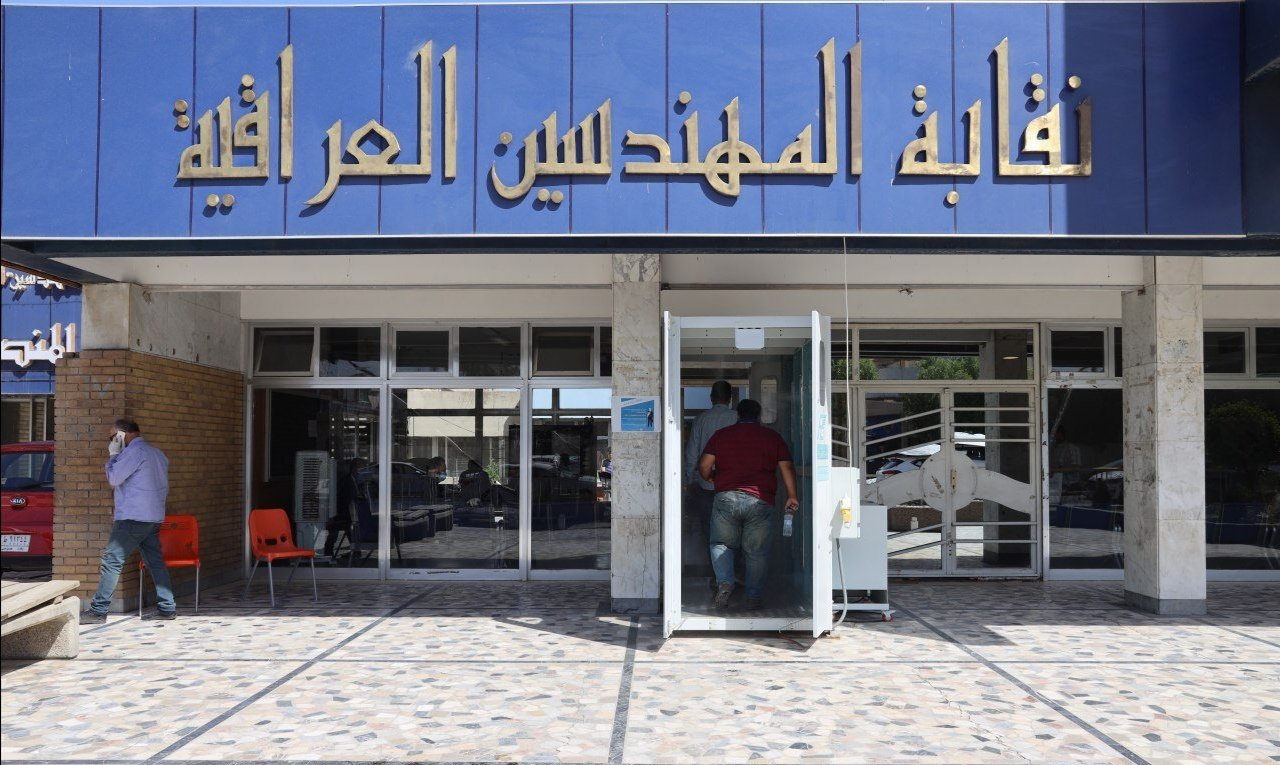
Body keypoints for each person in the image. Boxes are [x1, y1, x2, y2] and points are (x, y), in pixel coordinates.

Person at [698, 399, 799, 611]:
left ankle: (725, 583)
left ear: (738, 415)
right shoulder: (772, 437)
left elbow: (704, 465)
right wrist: (792, 495)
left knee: (721, 544)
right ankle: (753, 596)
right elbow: (786, 467)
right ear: (759, 416)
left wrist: (712, 478)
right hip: (760, 499)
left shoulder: (721, 435)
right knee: (756, 552)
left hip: (726, 497)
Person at [82, 419, 175, 623]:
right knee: (155, 562)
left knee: (112, 560)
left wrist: (113, 456)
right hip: (153, 517)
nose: (111, 441)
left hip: (133, 517)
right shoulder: (157, 453)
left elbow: (114, 479)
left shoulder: (133, 453)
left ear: (123, 435)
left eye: (112, 437)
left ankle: (98, 611)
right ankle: (167, 608)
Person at [683, 381, 738, 575]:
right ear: (730, 398)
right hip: (733, 486)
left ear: (711, 397)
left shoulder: (701, 419)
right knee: (734, 529)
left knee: (710, 530)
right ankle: (732, 572)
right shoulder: (737, 418)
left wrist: (689, 480)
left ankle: (716, 573)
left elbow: (692, 452)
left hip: (706, 485)